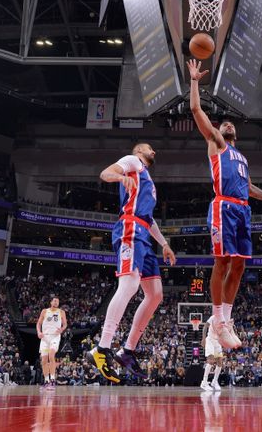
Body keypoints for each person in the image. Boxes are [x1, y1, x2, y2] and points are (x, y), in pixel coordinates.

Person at [187, 59, 262, 349]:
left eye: (230, 123)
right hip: (223, 207)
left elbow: (248, 188)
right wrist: (195, 81)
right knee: (222, 262)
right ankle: (217, 319)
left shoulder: (242, 158)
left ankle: (227, 320)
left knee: (240, 266)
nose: (228, 123)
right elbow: (196, 110)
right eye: (224, 123)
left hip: (243, 209)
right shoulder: (217, 144)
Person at [87, 144, 176, 383]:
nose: (154, 151)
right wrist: (119, 177)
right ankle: (102, 348)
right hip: (130, 228)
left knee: (155, 294)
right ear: (138, 150)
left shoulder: (146, 178)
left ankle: (127, 351)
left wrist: (165, 243)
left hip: (144, 232)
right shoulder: (132, 161)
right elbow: (105, 173)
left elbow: (149, 219)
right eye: (150, 148)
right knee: (129, 285)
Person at [37, 297, 67, 390]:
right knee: (44, 360)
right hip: (45, 337)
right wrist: (39, 332)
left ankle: (53, 380)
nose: (56, 302)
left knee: (51, 355)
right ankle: (46, 381)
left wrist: (61, 329)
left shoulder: (61, 312)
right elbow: (38, 324)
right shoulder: (44, 311)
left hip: (55, 336)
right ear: (51, 302)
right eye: (54, 300)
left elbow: (65, 324)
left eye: (58, 301)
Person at [199, 316, 223, 391]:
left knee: (220, 362)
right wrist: (203, 338)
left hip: (217, 342)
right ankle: (204, 382)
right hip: (210, 340)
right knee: (211, 361)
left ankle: (214, 382)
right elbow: (205, 326)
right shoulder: (214, 317)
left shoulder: (225, 318)